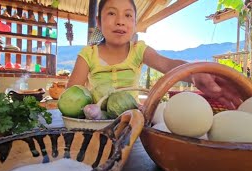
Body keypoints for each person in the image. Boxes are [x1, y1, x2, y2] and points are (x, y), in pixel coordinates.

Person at [67, 0, 242, 109]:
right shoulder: (88, 54)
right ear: (98, 21)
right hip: (96, 125)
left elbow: (168, 65)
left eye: (128, 15)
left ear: (135, 23)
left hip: (132, 124)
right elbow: (72, 95)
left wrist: (194, 74)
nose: (120, 21)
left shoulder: (138, 50)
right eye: (111, 13)